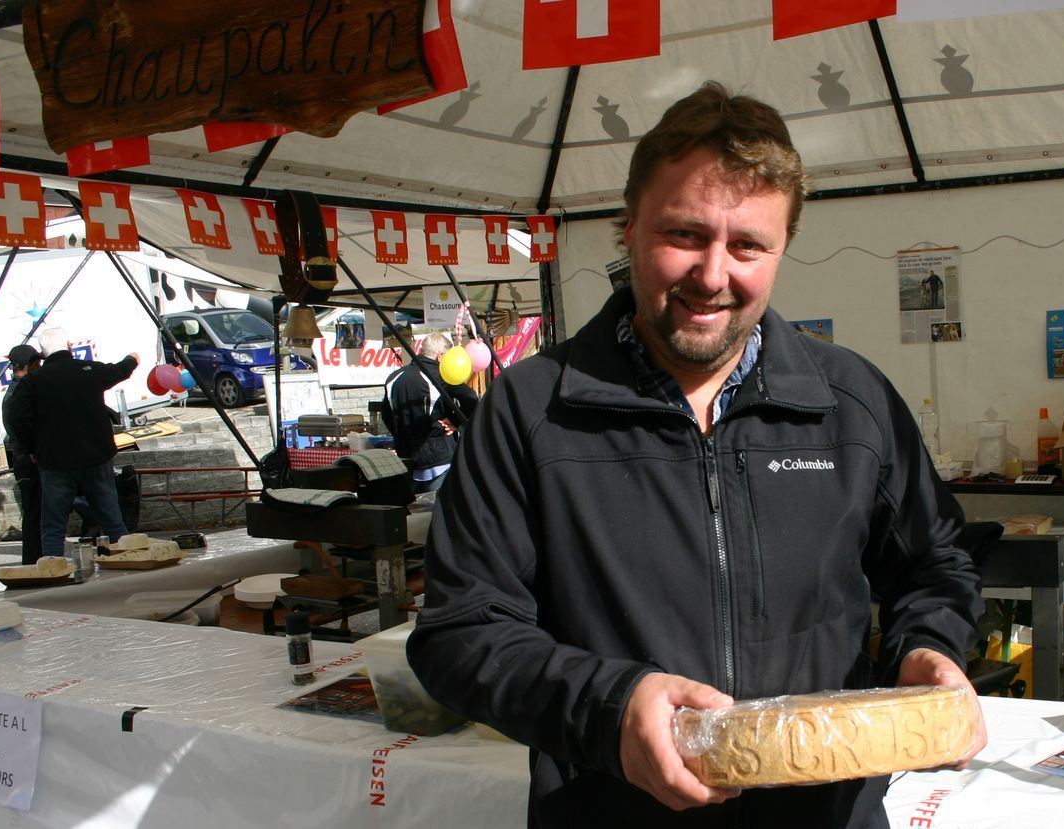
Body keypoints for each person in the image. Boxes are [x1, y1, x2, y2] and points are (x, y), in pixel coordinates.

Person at [408, 81, 986, 828]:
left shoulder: (851, 401)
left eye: (747, 244)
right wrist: (612, 710)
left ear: (781, 250)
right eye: (683, 234)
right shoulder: (528, 411)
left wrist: (929, 649)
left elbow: (934, 562)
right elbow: (459, 632)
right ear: (628, 229)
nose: (712, 276)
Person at [5, 327, 138, 558]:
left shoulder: (33, 382)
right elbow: (119, 370)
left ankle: (54, 575)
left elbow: (16, 419)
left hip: (55, 463)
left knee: (54, 528)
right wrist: (132, 360)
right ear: (69, 347)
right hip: (96, 458)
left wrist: (31, 448)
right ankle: (128, 566)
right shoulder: (88, 370)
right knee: (113, 522)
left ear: (43, 354)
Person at [380, 332, 479, 493]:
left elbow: (385, 414)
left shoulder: (394, 377)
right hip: (439, 458)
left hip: (407, 459)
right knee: (442, 509)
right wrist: (454, 421)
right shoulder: (439, 375)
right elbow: (471, 398)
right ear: (441, 357)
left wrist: (400, 434)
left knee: (417, 513)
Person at [2, 344, 44, 564]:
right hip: (28, 460)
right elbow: (18, 427)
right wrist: (33, 450)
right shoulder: (19, 393)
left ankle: (38, 560)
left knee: (36, 513)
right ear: (28, 365)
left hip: (26, 457)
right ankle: (33, 562)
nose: (40, 366)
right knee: (35, 514)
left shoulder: (18, 390)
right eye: (37, 363)